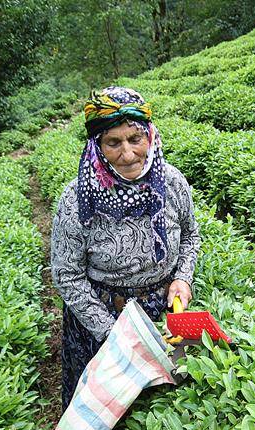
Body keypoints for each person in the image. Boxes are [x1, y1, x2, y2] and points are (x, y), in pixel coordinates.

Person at [51, 86, 201, 409]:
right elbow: (66, 275)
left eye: (135, 139)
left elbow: (191, 235)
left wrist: (183, 278)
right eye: (113, 142)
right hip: (102, 319)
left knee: (165, 405)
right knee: (106, 412)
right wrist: (111, 332)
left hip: (165, 311)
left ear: (150, 136)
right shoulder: (77, 198)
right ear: (98, 147)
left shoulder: (172, 182)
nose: (128, 153)